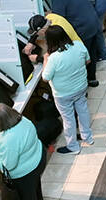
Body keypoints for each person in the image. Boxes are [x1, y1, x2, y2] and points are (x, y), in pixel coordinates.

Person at [35, 25, 93, 154]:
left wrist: (45, 59)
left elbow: (45, 77)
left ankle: (73, 146)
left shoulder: (53, 58)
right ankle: (87, 137)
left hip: (63, 94)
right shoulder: (78, 45)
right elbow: (88, 61)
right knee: (83, 111)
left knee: (68, 119)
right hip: (81, 87)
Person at [41, 0, 106, 85]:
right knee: (91, 52)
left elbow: (58, 21)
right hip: (93, 23)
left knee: (81, 58)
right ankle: (92, 79)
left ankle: (83, 82)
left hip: (82, 29)